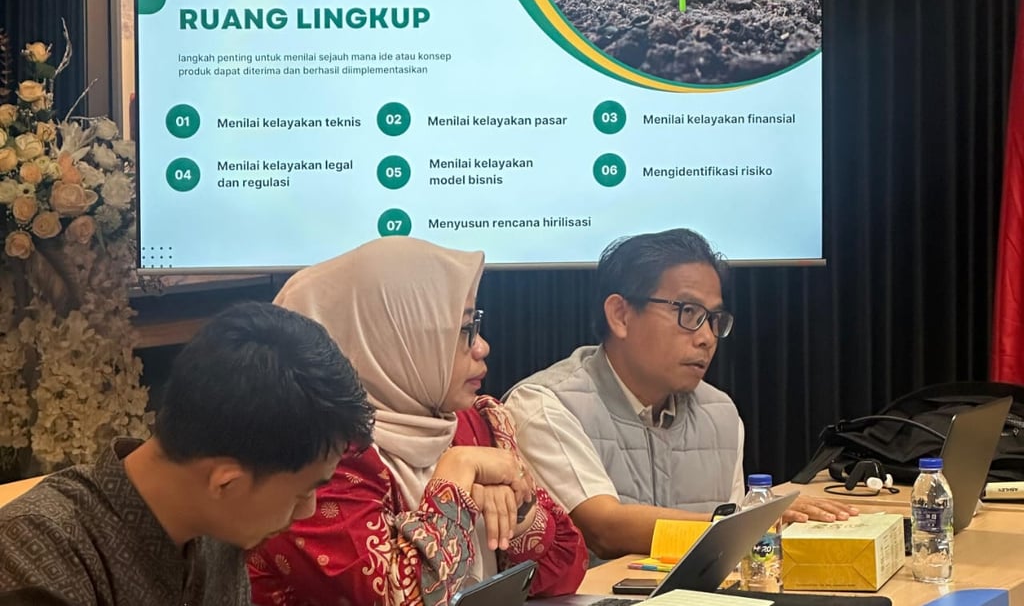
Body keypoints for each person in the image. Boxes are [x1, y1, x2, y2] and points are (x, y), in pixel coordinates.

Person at [248, 236, 588, 606]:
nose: (482, 347)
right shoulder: (315, 455)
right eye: (464, 330)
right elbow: (392, 598)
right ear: (390, 338)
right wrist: (455, 477)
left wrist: (518, 515)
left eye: (475, 324)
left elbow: (564, 572)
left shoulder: (469, 422)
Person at [504, 228, 857, 560]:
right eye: (688, 312)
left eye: (714, 319)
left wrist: (750, 524)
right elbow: (604, 529)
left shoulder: (719, 412)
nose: (707, 338)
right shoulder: (546, 405)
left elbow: (729, 552)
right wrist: (749, 522)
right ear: (621, 315)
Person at [0, 301, 375, 605]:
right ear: (226, 483)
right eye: (302, 492)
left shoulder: (217, 526)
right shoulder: (34, 555)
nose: (308, 510)